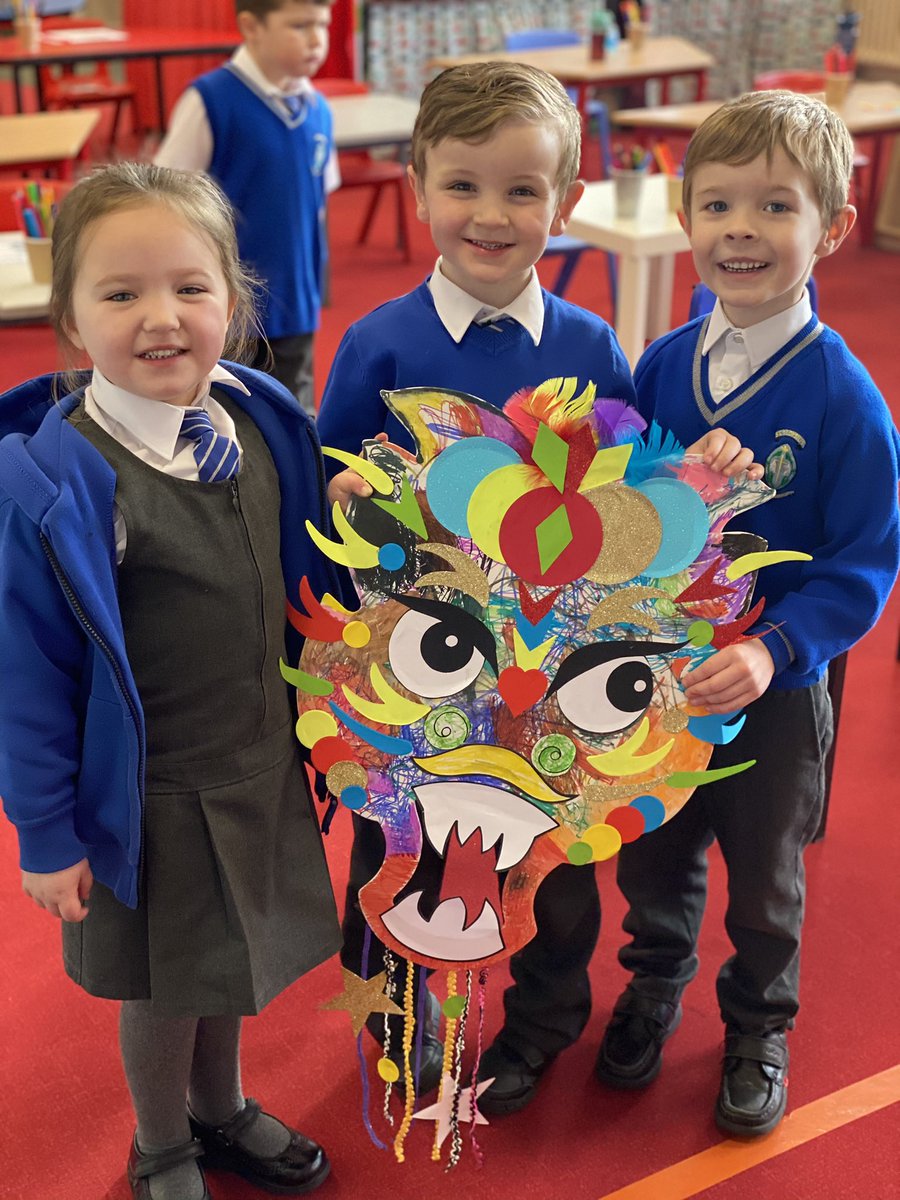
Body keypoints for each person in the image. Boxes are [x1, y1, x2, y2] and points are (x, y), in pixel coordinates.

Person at [316, 61, 755, 1110]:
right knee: (398, 844)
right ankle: (395, 1015)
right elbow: (327, 512)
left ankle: (540, 1024)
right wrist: (346, 502)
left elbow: (632, 509)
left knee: (550, 868)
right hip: (419, 688)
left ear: (565, 204)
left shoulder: (592, 344)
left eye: (523, 190)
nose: (491, 214)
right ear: (419, 184)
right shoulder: (380, 344)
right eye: (463, 185)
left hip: (548, 685)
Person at [0, 163, 349, 1200]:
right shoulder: (61, 483)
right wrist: (47, 832)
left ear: (234, 303)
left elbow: (297, 560)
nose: (162, 318)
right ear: (68, 317)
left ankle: (221, 1109)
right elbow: (27, 676)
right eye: (120, 294)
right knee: (162, 986)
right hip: (151, 796)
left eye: (191, 288)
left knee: (233, 966)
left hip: (259, 761)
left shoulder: (260, 419)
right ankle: (162, 1144)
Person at [587, 90, 899, 1137]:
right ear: (686, 219)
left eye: (774, 207)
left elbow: (861, 568)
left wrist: (773, 653)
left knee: (766, 881)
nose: (741, 231)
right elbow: (626, 514)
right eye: (718, 205)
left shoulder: (844, 400)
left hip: (770, 694)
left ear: (833, 229)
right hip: (660, 680)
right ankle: (653, 984)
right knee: (655, 853)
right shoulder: (662, 366)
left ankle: (759, 1024)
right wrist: (666, 478)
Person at [156, 0, 338, 417]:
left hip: (295, 301)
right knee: (222, 414)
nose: (316, 40)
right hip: (228, 307)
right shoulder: (212, 101)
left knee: (293, 415)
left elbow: (317, 208)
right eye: (299, 25)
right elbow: (163, 198)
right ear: (251, 27)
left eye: (322, 26)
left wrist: (315, 286)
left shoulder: (319, 110)